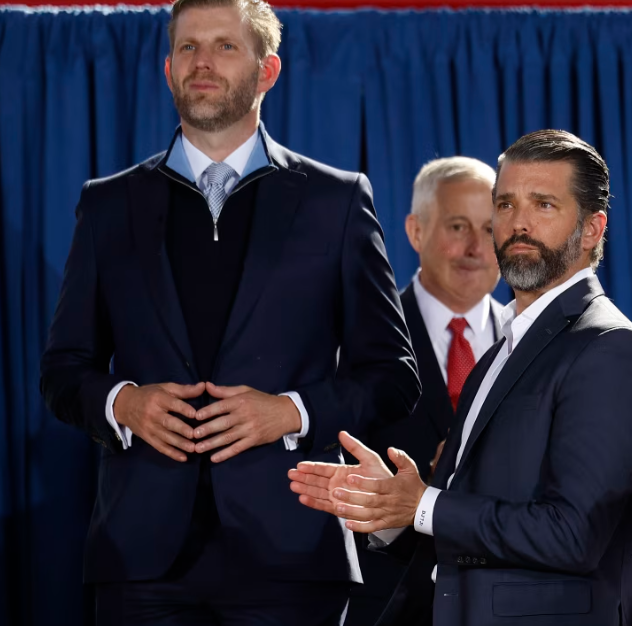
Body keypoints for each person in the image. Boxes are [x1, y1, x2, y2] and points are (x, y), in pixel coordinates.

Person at [38, 0, 419, 622]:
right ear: (168, 70)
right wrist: (122, 404)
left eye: (224, 46)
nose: (202, 63)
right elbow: (62, 369)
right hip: (140, 560)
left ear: (267, 70)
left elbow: (394, 375)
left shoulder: (338, 201)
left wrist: (290, 412)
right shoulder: (108, 205)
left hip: (295, 551)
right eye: (188, 47)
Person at [289, 129, 632, 626]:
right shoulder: (498, 355)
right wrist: (390, 508)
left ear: (593, 229)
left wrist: (422, 504)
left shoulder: (611, 349)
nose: (518, 223)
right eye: (505, 205)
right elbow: (462, 533)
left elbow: (572, 536)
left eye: (544, 204)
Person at [348, 157, 504, 624]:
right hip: (392, 603)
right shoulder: (357, 339)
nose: (476, 247)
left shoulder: (534, 345)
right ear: (415, 232)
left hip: (504, 601)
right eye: (458, 227)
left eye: (489, 229)